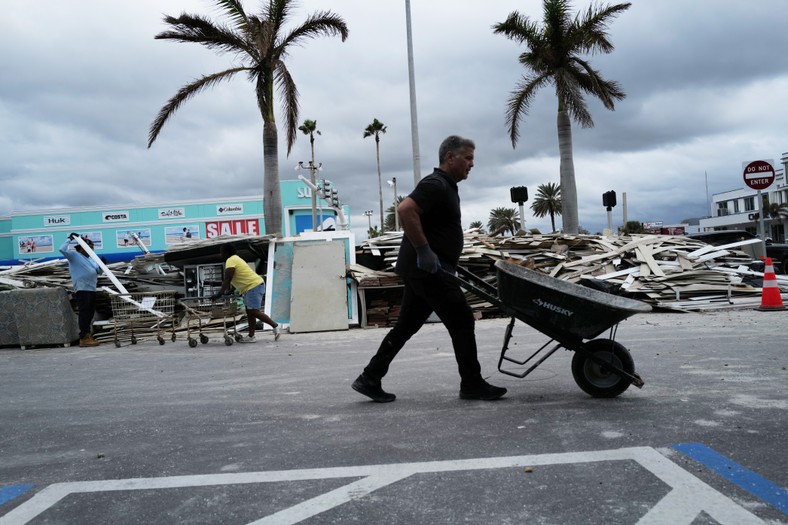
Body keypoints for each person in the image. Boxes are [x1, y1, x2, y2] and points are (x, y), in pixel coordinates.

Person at [352, 135, 507, 402]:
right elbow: (405, 209)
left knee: (405, 326)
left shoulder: (446, 186)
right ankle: (471, 384)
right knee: (462, 321)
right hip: (429, 270)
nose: (472, 164)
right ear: (450, 157)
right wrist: (424, 250)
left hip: (427, 270)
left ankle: (370, 377)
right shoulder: (436, 184)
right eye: (467, 158)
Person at [213, 244, 280, 342]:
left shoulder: (230, 260)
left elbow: (228, 278)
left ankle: (275, 326)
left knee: (253, 311)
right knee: (250, 312)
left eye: (222, 252)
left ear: (227, 252)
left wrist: (220, 293)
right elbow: (239, 277)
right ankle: (251, 336)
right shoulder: (236, 259)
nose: (221, 254)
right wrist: (230, 291)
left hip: (253, 286)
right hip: (254, 286)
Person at [60, 233, 102, 347]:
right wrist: (69, 239)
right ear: (82, 247)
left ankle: (87, 334)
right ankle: (83, 336)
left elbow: (98, 271)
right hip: (82, 289)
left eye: (92, 248)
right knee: (84, 312)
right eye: (89, 248)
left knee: (90, 313)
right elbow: (62, 249)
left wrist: (102, 264)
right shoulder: (74, 256)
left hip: (92, 288)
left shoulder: (91, 259)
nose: (91, 250)